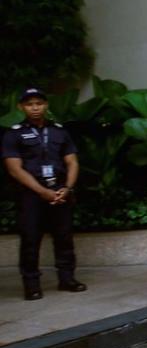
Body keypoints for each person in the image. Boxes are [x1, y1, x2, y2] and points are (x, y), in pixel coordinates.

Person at [2, 88, 86, 300]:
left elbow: (72, 161)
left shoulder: (59, 131)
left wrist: (67, 187)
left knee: (64, 237)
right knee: (31, 239)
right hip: (31, 194)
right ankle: (32, 285)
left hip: (60, 190)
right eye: (30, 104)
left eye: (39, 103)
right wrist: (42, 191)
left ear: (46, 105)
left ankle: (67, 279)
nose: (35, 108)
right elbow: (14, 168)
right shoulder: (14, 133)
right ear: (21, 107)